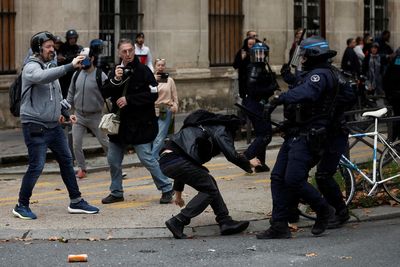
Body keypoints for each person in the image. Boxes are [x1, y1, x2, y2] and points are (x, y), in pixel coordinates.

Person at [257, 36, 339, 239]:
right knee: (277, 177)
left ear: (313, 55)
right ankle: (279, 225)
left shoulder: (320, 75)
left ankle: (323, 209)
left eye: (303, 55)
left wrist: (278, 98)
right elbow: (300, 101)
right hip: (295, 133)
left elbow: (306, 93)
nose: (301, 60)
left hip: (309, 137)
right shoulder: (310, 74)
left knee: (293, 179)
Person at [12, 31, 99, 220]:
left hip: (53, 126)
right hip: (35, 125)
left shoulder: (51, 65)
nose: (53, 49)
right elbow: (43, 77)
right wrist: (69, 66)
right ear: (38, 48)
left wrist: (65, 114)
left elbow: (56, 95)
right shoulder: (30, 67)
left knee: (67, 162)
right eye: (49, 46)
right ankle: (21, 205)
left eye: (53, 46)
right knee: (36, 166)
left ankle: (76, 201)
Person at [159, 109, 261, 239]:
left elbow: (182, 162)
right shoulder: (222, 129)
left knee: (209, 182)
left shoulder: (198, 128)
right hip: (178, 160)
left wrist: (178, 195)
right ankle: (179, 220)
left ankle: (225, 221)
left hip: (166, 161)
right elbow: (231, 154)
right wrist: (248, 162)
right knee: (209, 189)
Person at [100, 38, 174, 205]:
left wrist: (130, 99)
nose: (128, 54)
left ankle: (166, 187)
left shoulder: (144, 71)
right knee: (113, 160)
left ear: (134, 51)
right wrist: (116, 80)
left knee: (147, 158)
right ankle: (116, 191)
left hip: (140, 124)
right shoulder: (115, 71)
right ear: (119, 53)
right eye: (124, 51)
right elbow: (105, 92)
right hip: (120, 125)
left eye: (130, 51)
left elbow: (153, 94)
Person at [66, 46, 109, 179]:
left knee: (105, 142)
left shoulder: (100, 75)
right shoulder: (77, 74)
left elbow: (109, 93)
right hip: (79, 116)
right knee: (76, 143)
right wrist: (66, 111)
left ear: (92, 58)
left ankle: (115, 165)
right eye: (80, 59)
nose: (82, 61)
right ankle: (82, 168)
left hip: (95, 116)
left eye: (84, 59)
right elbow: (71, 93)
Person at [243, 42, 276, 173]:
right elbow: (253, 89)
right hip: (254, 104)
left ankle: (260, 163)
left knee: (263, 133)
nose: (260, 55)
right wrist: (270, 88)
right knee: (265, 134)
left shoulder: (261, 67)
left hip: (258, 104)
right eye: (258, 53)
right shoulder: (255, 68)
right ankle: (246, 158)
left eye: (262, 52)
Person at [152, 58, 179, 159]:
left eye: (162, 65)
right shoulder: (150, 79)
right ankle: (159, 157)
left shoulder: (170, 80)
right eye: (158, 65)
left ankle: (152, 157)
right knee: (153, 136)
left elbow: (174, 95)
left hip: (166, 110)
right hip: (153, 110)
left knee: (161, 136)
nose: (160, 67)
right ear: (155, 66)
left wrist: (175, 106)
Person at [58, 29, 83, 98]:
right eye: (70, 38)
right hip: (64, 75)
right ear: (67, 39)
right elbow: (60, 59)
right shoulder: (62, 47)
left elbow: (81, 58)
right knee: (64, 93)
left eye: (74, 38)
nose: (72, 40)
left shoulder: (77, 47)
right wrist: (70, 57)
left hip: (74, 73)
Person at [383, 47, 400, 141]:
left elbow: (385, 78)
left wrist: (388, 95)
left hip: (393, 95)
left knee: (396, 117)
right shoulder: (396, 61)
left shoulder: (395, 60)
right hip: (396, 94)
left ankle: (393, 140)